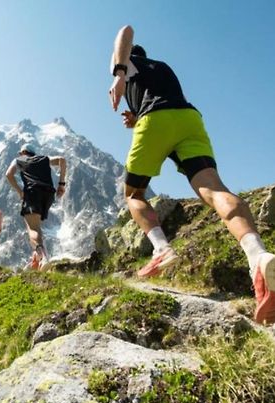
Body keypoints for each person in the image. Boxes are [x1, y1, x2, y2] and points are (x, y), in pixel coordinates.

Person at [109, 25, 275, 324]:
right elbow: (159, 100)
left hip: (156, 121)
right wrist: (135, 118)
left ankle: (161, 249)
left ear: (128, 58)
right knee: (214, 188)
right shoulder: (160, 67)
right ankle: (258, 257)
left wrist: (118, 74)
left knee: (133, 194)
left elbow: (125, 30)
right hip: (188, 119)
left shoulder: (126, 63)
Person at [5, 143, 67, 270]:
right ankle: (35, 261)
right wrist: (61, 184)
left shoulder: (20, 160)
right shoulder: (44, 159)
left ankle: (43, 257)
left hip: (32, 193)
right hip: (49, 194)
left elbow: (9, 174)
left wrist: (19, 191)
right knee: (37, 227)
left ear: (23, 152)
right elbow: (62, 160)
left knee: (32, 229)